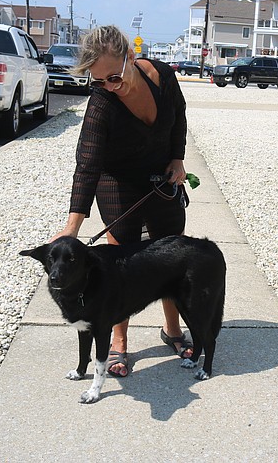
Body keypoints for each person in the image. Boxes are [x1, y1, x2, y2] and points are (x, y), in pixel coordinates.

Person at [51, 25, 192, 378]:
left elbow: (179, 114)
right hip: (116, 182)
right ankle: (119, 342)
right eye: (99, 82)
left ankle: (172, 330)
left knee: (169, 255)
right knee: (122, 263)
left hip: (161, 177)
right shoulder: (102, 103)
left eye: (114, 77)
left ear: (131, 57)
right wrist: (72, 227)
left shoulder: (160, 75)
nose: (109, 86)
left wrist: (177, 158)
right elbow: (87, 164)